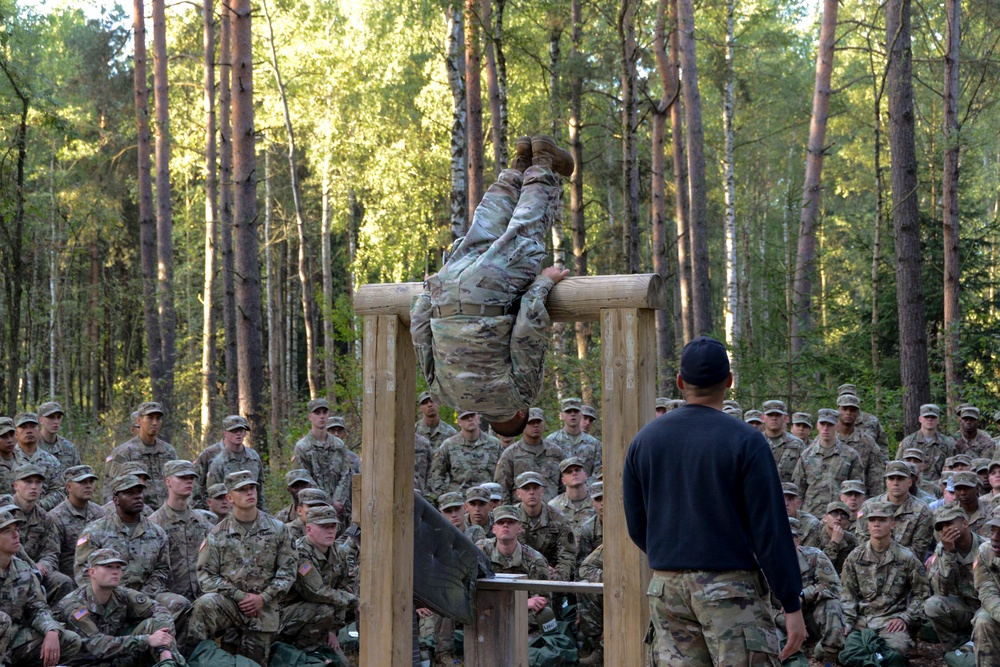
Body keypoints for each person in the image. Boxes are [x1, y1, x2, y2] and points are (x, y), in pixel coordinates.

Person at [622, 336, 805, 664]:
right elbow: (771, 530)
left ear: (680, 382)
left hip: (667, 589)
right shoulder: (747, 441)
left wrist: (675, 555)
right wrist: (791, 602)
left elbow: (636, 524)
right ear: (729, 382)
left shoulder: (645, 440)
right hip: (730, 590)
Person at [411, 136, 574, 436]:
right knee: (485, 226)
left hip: (491, 292)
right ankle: (519, 165)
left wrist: (543, 284)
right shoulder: (444, 394)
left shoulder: (517, 397)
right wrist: (427, 293)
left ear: (521, 414)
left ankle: (544, 162)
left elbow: (527, 332)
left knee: (526, 231)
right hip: (447, 287)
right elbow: (420, 331)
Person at [187, 470, 296, 663]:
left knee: (252, 662)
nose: (249, 493)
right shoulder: (217, 534)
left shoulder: (278, 530)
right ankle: (197, 658)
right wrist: (240, 596)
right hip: (230, 603)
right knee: (204, 605)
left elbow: (288, 572)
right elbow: (206, 575)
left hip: (263, 608)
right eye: (242, 489)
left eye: (252, 488)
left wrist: (263, 598)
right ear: (230, 498)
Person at [74, 474, 191, 625]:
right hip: (106, 598)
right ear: (116, 500)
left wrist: (143, 597)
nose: (137, 497)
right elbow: (83, 572)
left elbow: (161, 569)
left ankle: (167, 646)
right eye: (129, 493)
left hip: (147, 597)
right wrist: (111, 597)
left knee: (180, 604)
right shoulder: (94, 531)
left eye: (139, 492)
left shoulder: (157, 532)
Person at [55, 547, 178, 666]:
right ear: (92, 572)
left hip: (114, 659)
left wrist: (164, 650)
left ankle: (168, 663)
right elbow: (96, 645)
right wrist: (147, 640)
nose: (115, 571)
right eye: (108, 567)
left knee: (153, 624)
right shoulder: (74, 603)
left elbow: (160, 610)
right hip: (84, 662)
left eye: (118, 567)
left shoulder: (122, 594)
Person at [840, 501, 929, 657]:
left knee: (897, 652)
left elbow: (922, 594)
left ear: (892, 524)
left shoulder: (906, 557)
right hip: (861, 620)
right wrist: (847, 622)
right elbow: (848, 594)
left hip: (890, 622)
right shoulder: (855, 556)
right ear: (867, 525)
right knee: (829, 648)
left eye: (882, 520)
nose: (876, 524)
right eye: (872, 520)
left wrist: (905, 618)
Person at [0, 507, 82, 666]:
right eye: (6, 531)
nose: (16, 535)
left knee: (69, 640)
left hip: (12, 640)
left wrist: (51, 630)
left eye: (16, 529)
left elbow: (37, 606)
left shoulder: (23, 569)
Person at [275, 505, 356, 655]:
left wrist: (332, 629)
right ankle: (302, 651)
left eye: (333, 526)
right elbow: (315, 592)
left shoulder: (339, 553)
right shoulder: (299, 552)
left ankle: (321, 641)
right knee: (329, 608)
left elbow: (342, 588)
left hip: (320, 617)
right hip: (286, 617)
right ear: (309, 529)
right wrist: (354, 600)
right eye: (324, 526)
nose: (331, 531)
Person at [776, 517, 844, 663]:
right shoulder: (765, 565)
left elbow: (832, 586)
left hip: (813, 617)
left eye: (790, 537)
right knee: (774, 646)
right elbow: (762, 603)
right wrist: (789, 621)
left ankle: (829, 657)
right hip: (781, 622)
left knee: (833, 604)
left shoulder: (815, 556)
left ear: (798, 540)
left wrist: (803, 595)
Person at [148, 460, 215, 603]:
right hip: (168, 601)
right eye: (182, 478)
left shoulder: (202, 522)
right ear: (168, 481)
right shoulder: (154, 524)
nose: (189, 482)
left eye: (191, 478)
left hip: (202, 599)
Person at [474, 505, 551, 628]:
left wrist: (508, 620)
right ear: (494, 529)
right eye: (500, 522)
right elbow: (471, 595)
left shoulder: (535, 560)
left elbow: (541, 606)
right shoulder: (481, 553)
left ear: (519, 529)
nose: (505, 525)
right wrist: (520, 604)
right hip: (485, 620)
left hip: (522, 626)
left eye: (510, 522)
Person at [11, 464, 75, 605]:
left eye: (38, 483)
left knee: (63, 582)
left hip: (36, 572)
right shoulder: (4, 512)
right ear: (16, 485)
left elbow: (51, 552)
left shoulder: (45, 518)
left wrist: (43, 565)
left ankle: (56, 620)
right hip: (8, 569)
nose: (33, 487)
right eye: (28, 482)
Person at [924, 504, 983, 654]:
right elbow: (941, 590)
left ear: (965, 523)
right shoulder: (942, 548)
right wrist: (949, 554)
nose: (945, 530)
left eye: (949, 524)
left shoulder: (986, 547)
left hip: (986, 607)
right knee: (933, 605)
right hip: (963, 607)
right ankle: (953, 648)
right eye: (941, 527)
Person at [103, 402, 178, 510]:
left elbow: (178, 482)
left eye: (158, 419)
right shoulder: (123, 452)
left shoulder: (168, 451)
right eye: (150, 418)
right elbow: (110, 486)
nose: (155, 423)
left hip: (167, 513)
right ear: (139, 421)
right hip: (138, 513)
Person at [855, 461, 934, 560]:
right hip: (871, 562)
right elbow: (862, 542)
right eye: (891, 479)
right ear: (886, 482)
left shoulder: (923, 511)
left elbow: (918, 550)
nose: (895, 483)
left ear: (909, 482)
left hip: (905, 567)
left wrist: (887, 558)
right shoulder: (869, 507)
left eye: (900, 479)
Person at [793, 408, 862, 515]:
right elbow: (798, 490)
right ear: (817, 426)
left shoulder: (850, 455)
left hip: (839, 516)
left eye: (830, 424)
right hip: (811, 516)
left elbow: (857, 491)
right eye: (823, 424)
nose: (826, 428)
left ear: (837, 427)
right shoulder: (806, 456)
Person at [291, 399, 352, 519]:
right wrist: (328, 502)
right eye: (317, 413)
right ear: (310, 416)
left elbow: (345, 474)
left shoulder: (338, 445)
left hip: (341, 510)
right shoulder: (302, 447)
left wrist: (337, 502)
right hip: (315, 510)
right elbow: (304, 480)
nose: (322, 416)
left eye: (324, 412)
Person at [427, 410, 503, 503]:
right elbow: (437, 474)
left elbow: (502, 475)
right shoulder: (449, 445)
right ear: (459, 422)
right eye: (465, 417)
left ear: (478, 418)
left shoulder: (494, 444)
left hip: (488, 501)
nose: (470, 419)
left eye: (472, 416)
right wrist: (444, 499)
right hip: (459, 502)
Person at [514, 471, 577, 582]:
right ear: (518, 493)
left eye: (535, 488)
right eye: (526, 488)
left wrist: (557, 576)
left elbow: (567, 556)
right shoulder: (511, 518)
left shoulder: (559, 519)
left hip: (551, 578)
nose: (531, 492)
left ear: (542, 491)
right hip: (518, 574)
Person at [494, 407, 565, 503]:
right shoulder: (510, 453)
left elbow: (564, 485)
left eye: (538, 422)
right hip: (520, 512)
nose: (535, 425)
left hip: (551, 511)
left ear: (543, 424)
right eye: (531, 422)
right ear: (523, 425)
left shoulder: (556, 452)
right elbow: (503, 488)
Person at [49, 465, 107, 578]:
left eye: (91, 482)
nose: (89, 486)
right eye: (82, 482)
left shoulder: (100, 513)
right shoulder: (55, 517)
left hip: (100, 574)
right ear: (69, 487)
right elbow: (53, 556)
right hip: (71, 577)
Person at [205, 415, 265, 510]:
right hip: (229, 516)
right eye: (234, 431)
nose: (238, 434)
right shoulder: (219, 462)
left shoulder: (254, 457)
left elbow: (260, 489)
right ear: (225, 433)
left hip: (252, 513)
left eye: (241, 431)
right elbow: (214, 495)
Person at [835, 393, 887, 497]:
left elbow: (875, 478)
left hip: (858, 500)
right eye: (844, 409)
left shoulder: (867, 443)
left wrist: (874, 503)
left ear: (858, 413)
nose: (848, 413)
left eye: (852, 410)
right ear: (838, 410)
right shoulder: (827, 439)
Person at [13, 413, 63, 510]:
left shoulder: (52, 461)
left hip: (43, 517)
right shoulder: (6, 459)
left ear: (38, 430)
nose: (29, 431)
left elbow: (59, 491)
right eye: (23, 427)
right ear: (16, 433)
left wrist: (39, 506)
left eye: (32, 427)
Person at [895, 403, 956, 484]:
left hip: (938, 488)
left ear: (938, 420)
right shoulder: (908, 442)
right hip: (913, 486)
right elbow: (898, 466)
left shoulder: (947, 443)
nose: (930, 419)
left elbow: (952, 469)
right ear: (920, 419)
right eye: (926, 417)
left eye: (933, 417)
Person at [972, 505, 1000, 664]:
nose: (995, 537)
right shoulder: (985, 552)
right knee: (983, 620)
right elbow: (987, 592)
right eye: (993, 530)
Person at [546, 398, 602, 476]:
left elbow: (598, 473)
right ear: (562, 416)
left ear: (581, 414)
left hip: (587, 487)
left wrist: (586, 486)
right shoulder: (551, 441)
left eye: (576, 411)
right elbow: (549, 472)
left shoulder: (595, 444)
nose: (572, 414)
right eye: (568, 412)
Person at [836, 384, 889, 456]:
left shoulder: (871, 421)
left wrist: (882, 462)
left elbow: (883, 445)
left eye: (851, 396)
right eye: (844, 396)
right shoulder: (832, 422)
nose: (848, 399)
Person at [761, 400, 804, 483]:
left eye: (778, 415)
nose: (774, 418)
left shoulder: (797, 444)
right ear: (763, 418)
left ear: (786, 418)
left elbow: (803, 475)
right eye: (770, 415)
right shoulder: (755, 442)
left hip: (787, 493)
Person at [547, 456, 595, 531]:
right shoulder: (553, 506)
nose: (574, 473)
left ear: (585, 476)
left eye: (577, 470)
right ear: (563, 481)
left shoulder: (597, 501)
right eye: (569, 472)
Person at [36, 401, 82, 474]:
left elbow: (78, 476)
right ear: (41, 420)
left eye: (59, 417)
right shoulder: (32, 446)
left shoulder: (68, 448)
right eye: (51, 417)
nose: (56, 422)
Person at [577, 481, 603, 569]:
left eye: (605, 498)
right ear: (592, 502)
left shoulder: (626, 524)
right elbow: (581, 564)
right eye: (598, 499)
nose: (602, 503)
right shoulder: (588, 528)